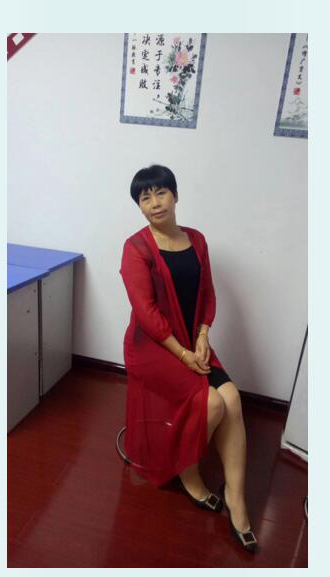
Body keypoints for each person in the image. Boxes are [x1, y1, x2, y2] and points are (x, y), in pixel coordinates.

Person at [119, 164, 257, 553]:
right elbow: (146, 313)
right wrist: (182, 353)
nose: (154, 202)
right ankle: (188, 472)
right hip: (151, 347)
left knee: (232, 398)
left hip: (191, 341)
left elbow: (207, 294)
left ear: (175, 196)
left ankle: (236, 498)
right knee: (211, 403)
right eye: (145, 198)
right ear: (140, 207)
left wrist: (202, 337)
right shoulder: (136, 248)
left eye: (160, 193)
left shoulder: (196, 240)